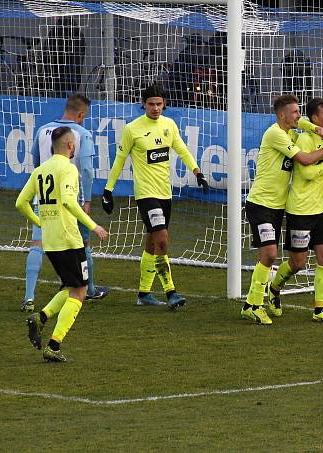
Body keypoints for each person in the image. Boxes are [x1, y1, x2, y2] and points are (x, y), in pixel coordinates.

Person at [241, 94, 323, 325]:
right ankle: (253, 304)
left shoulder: (292, 132)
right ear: (282, 115)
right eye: (294, 112)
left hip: (279, 206)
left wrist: (313, 126)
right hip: (261, 204)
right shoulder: (276, 134)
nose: (298, 116)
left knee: (320, 257)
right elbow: (304, 160)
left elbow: (302, 123)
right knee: (270, 255)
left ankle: (319, 309)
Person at [101, 84, 209, 308]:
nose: (155, 108)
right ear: (143, 104)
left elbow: (182, 150)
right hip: (146, 194)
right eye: (151, 104)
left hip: (164, 193)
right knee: (162, 239)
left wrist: (197, 172)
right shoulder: (132, 129)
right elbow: (120, 160)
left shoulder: (169, 125)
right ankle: (171, 292)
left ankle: (143, 294)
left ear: (164, 104)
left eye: (159, 104)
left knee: (152, 242)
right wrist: (108, 190)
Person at [16, 126, 109, 362]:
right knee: (80, 292)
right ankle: (54, 346)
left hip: (50, 240)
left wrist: (41, 222)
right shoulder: (68, 169)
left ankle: (41, 317)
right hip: (69, 238)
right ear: (70, 146)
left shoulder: (40, 170)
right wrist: (94, 225)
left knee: (70, 286)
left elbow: (21, 202)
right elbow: (68, 200)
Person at [21, 93, 109, 313]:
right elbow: (87, 170)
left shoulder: (43, 131)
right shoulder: (81, 134)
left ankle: (29, 298)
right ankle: (88, 289)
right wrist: (87, 200)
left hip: (42, 195)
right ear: (81, 114)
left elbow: (35, 160)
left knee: (37, 244)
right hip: (71, 199)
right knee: (82, 244)